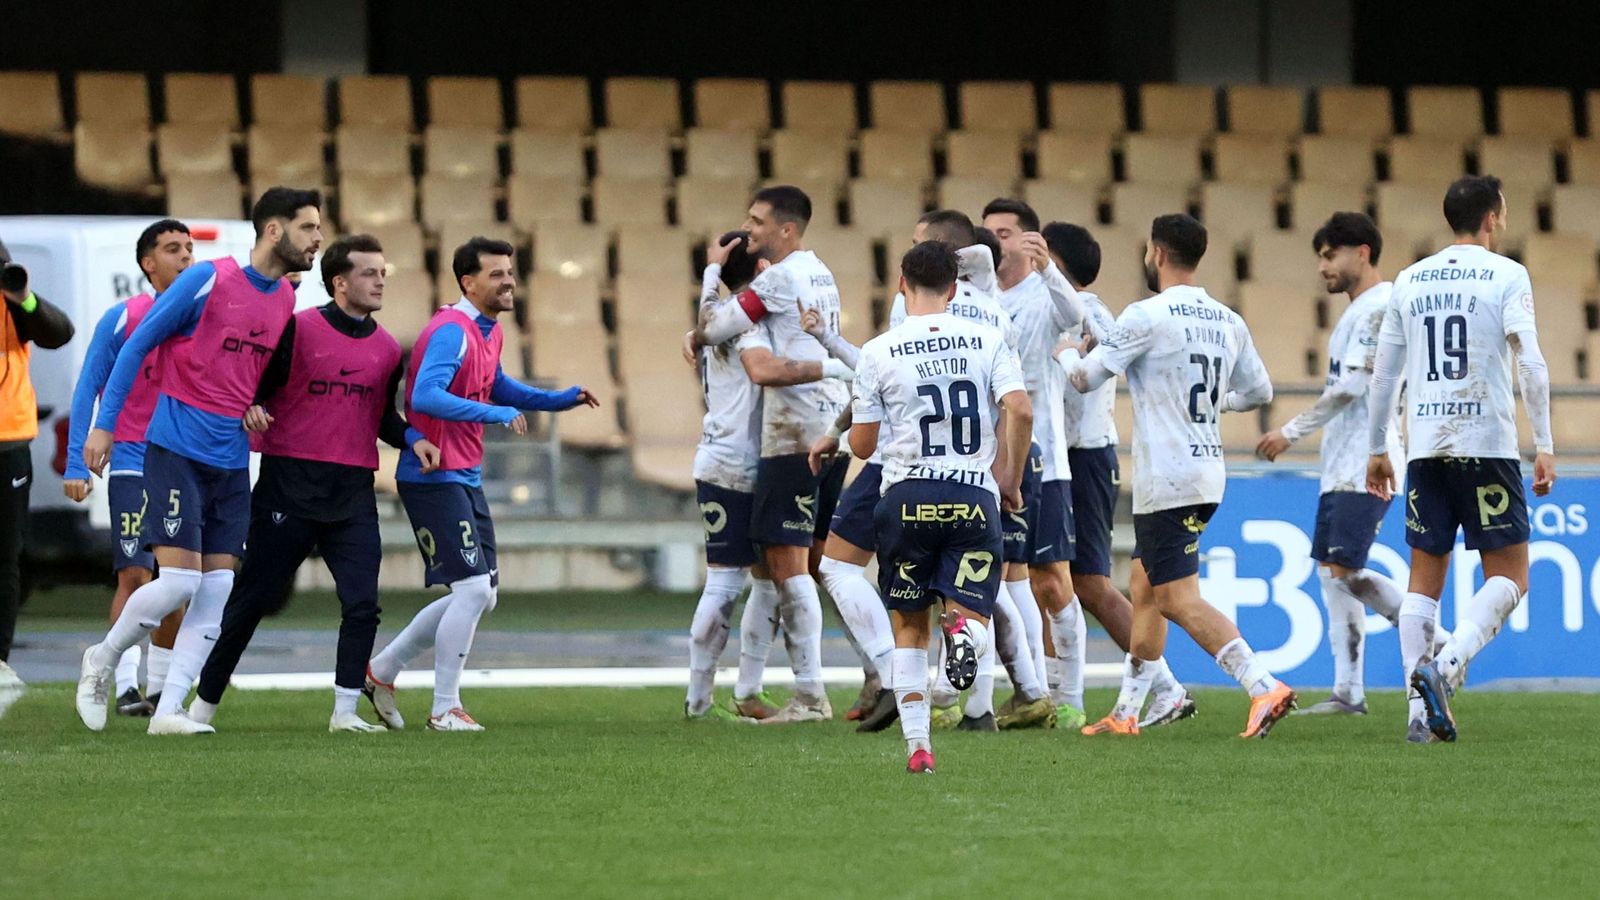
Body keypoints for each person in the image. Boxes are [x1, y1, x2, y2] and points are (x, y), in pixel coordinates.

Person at [75, 187, 321, 734]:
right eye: (308, 228)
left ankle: (168, 713)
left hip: (230, 460)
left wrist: (255, 406)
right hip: (175, 449)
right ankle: (105, 657)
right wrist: (104, 426)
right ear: (275, 231)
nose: (318, 240)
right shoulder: (207, 278)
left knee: (218, 587)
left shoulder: (283, 299)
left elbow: (250, 375)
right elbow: (138, 346)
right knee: (182, 583)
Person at [807, 209, 1054, 734]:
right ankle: (995, 699)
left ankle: (902, 677)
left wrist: (839, 431)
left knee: (849, 571)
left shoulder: (901, 323)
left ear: (909, 276)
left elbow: (877, 399)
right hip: (980, 473)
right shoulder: (995, 318)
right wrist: (1007, 475)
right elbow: (1019, 406)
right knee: (996, 589)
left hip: (907, 469)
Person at [186, 235, 439, 732]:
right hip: (288, 485)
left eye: (383, 271)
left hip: (351, 492)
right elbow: (253, 388)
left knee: (363, 603)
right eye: (369, 273)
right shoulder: (296, 330)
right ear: (339, 282)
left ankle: (345, 712)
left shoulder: (388, 349)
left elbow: (380, 416)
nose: (380, 280)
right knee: (254, 599)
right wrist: (252, 407)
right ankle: (202, 706)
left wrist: (413, 438)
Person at [1064, 214, 1297, 738]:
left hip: (1167, 478)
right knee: (1145, 587)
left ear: (1157, 253)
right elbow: (1258, 392)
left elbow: (1083, 379)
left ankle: (1263, 685)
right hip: (1206, 469)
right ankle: (1128, 712)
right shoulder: (1227, 319)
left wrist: (1060, 356)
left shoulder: (1146, 315)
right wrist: (1214, 405)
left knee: (1174, 597)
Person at [364, 237, 599, 732]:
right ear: (468, 282)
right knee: (471, 589)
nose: (509, 280)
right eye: (496, 274)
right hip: (431, 475)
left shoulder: (487, 331)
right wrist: (496, 413)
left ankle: (381, 671)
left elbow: (497, 384)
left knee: (483, 593)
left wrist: (559, 400)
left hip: (463, 475)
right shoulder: (451, 330)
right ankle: (444, 708)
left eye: (510, 272)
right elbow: (424, 396)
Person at [1365, 176, 1555, 743]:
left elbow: (1385, 374)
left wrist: (1378, 447)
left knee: (1425, 579)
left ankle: (1417, 717)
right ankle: (1444, 670)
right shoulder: (1507, 274)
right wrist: (1543, 441)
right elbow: (1531, 362)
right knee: (1512, 576)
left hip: (1425, 446)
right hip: (1486, 443)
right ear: (1493, 218)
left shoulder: (1411, 279)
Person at [851, 240, 1032, 773]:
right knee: (972, 613)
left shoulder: (879, 350)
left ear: (902, 286)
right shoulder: (987, 338)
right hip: (971, 495)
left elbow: (862, 446)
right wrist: (1010, 479)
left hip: (906, 496)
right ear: (954, 290)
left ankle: (919, 749)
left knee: (909, 628)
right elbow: (1019, 409)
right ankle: (965, 634)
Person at [694, 186, 851, 723]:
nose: (751, 226)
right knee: (775, 571)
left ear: (785, 231)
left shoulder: (773, 286)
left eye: (758, 220)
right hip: (819, 432)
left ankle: (810, 693)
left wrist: (710, 278)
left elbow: (712, 330)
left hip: (787, 441)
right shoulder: (819, 271)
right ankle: (750, 690)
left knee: (780, 570)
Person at [1255, 212, 1407, 716]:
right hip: (1343, 463)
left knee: (1343, 569)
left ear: (1361, 252)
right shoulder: (1356, 312)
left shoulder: (1379, 308)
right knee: (1332, 572)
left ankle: (1440, 644)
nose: (1323, 267)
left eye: (1330, 255)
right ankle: (1349, 693)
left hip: (1369, 461)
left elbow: (1355, 385)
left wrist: (1289, 430)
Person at [1045, 222, 1194, 728]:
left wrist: (1075, 352)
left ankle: (1166, 686)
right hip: (1074, 456)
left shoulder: (1093, 312)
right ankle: (1054, 692)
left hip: (1085, 456)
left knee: (1088, 583)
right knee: (1061, 580)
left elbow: (1113, 358)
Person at [62, 219, 193, 716]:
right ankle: (121, 685)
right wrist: (76, 459)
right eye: (172, 249)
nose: (185, 257)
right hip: (134, 462)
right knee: (136, 576)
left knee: (176, 580)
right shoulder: (123, 318)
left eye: (189, 248)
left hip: (184, 464)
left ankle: (159, 688)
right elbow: (87, 387)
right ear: (148, 264)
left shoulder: (201, 323)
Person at [981, 198, 1089, 729]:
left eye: (1006, 232)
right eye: (989, 232)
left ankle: (1070, 697)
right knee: (999, 573)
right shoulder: (978, 296)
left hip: (1044, 455)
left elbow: (1077, 318)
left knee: (1051, 580)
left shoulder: (1042, 293)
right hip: (988, 456)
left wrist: (1048, 270)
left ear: (1029, 240)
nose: (995, 240)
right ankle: (1032, 691)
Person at [0, 237, 74, 691]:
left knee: (5, 560)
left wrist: (21, 296)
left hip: (8, 446)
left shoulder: (12, 308)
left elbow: (59, 332)